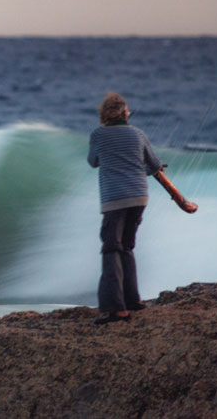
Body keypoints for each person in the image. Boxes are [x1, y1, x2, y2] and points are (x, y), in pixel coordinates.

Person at [87, 92, 163, 325]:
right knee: (127, 246)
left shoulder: (98, 135)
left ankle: (117, 309)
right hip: (140, 196)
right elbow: (156, 165)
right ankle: (133, 300)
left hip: (115, 199)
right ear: (124, 113)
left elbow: (93, 161)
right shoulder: (138, 134)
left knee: (111, 249)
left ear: (104, 114)